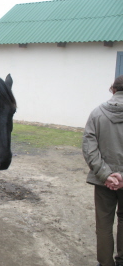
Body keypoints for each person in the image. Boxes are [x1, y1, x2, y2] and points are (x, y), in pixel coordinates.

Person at [82, 75, 123, 266]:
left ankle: (105, 263)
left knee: (104, 225)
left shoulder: (97, 114)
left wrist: (106, 175)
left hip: (103, 181)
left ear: (113, 89)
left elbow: (89, 148)